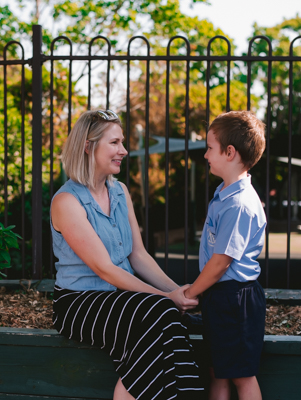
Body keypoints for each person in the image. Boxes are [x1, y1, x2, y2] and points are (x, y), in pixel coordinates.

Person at [51, 109, 205, 400]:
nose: (123, 150)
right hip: (80, 302)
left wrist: (176, 292)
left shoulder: (120, 191)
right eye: (115, 143)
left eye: (122, 142)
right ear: (88, 145)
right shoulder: (67, 202)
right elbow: (105, 269)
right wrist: (165, 298)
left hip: (123, 299)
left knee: (167, 316)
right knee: (161, 311)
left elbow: (138, 254)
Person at [183, 111, 267, 400]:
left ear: (229, 152)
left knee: (242, 375)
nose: (205, 154)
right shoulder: (224, 194)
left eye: (209, 147)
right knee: (217, 370)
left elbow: (221, 262)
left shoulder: (239, 204)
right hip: (222, 297)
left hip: (236, 300)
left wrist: (192, 291)